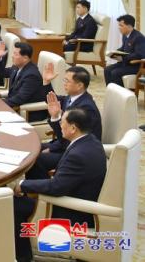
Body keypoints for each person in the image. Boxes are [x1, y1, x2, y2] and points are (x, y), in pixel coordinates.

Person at [13, 107, 106, 261]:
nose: (60, 125)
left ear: (73, 128)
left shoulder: (78, 155)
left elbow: (56, 187)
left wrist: (22, 185)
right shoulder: (91, 142)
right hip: (79, 198)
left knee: (15, 205)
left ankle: (23, 257)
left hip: (73, 212)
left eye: (62, 122)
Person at [24, 65, 101, 179]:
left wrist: (52, 148)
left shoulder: (85, 108)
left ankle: (41, 188)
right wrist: (46, 82)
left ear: (79, 85)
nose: (64, 83)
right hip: (63, 143)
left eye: (67, 81)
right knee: (31, 147)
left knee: (36, 159)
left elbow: (73, 137)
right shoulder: (73, 98)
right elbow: (52, 100)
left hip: (75, 151)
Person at [0, 41, 46, 120]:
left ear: (25, 58)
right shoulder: (17, 67)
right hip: (15, 107)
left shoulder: (31, 75)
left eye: (15, 54)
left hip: (28, 113)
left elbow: (20, 98)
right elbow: (2, 73)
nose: (12, 56)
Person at [104, 14, 145, 86]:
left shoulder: (139, 37)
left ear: (129, 26)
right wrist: (114, 53)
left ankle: (120, 92)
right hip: (126, 63)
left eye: (121, 25)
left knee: (115, 73)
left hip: (135, 66)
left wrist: (123, 58)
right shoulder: (125, 35)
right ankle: (110, 90)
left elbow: (139, 54)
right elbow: (123, 48)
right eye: (119, 25)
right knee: (107, 70)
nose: (119, 28)